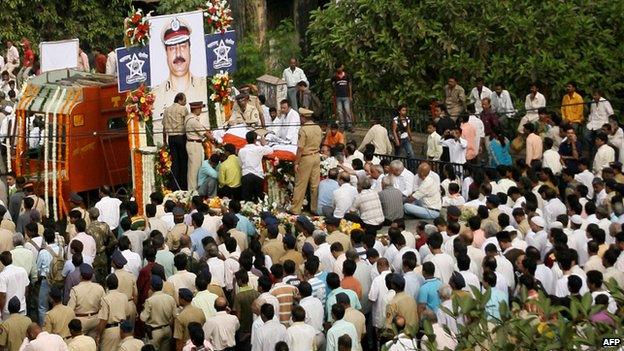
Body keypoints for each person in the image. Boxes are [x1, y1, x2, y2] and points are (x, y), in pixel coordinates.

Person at [152, 17, 208, 126]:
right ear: (166, 53)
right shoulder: (156, 94)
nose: (178, 54)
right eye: (172, 48)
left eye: (183, 46)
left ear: (190, 50)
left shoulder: (204, 86)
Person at [291, 108, 322, 215]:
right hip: (316, 156)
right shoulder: (318, 127)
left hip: (306, 157)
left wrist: (296, 162)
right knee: (315, 185)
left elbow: (300, 148)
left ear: (304, 117)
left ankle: (295, 209)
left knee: (300, 184)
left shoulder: (303, 129)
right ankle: (314, 208)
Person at [163, 93, 189, 190]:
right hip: (181, 137)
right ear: (180, 100)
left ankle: (174, 186)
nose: (185, 102)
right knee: (183, 162)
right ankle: (183, 186)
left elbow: (164, 127)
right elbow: (187, 123)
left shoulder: (167, 110)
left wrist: (164, 140)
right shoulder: (183, 109)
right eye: (184, 100)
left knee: (174, 163)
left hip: (171, 139)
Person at [239, 131, 273, 202]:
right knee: (258, 200)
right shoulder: (259, 149)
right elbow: (270, 151)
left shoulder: (241, 151)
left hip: (246, 176)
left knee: (247, 201)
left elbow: (240, 164)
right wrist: (264, 144)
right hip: (258, 176)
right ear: (255, 140)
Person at [185, 101, 210, 191]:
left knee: (197, 168)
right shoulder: (193, 120)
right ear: (196, 109)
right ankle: (192, 191)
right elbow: (204, 133)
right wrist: (214, 140)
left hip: (196, 144)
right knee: (194, 170)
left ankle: (196, 190)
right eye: (200, 108)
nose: (201, 110)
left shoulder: (191, 118)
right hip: (194, 144)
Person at [0, 251, 29, 321]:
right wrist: (23, 300)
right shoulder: (22, 270)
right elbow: (27, 289)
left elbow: (3, 296)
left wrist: (1, 311)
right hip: (22, 308)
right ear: (12, 258)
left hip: (8, 312)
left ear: (2, 262)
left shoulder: (2, 275)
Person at [332, 63, 353, 132]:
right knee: (340, 111)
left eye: (340, 67)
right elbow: (333, 86)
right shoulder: (335, 77)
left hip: (346, 96)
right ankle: (342, 126)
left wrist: (350, 96)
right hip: (338, 97)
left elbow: (349, 86)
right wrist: (334, 96)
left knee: (347, 111)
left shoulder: (347, 76)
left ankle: (349, 126)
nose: (339, 69)